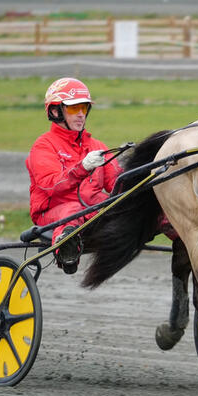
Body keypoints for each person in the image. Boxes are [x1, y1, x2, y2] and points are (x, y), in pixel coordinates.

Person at [26, 77, 121, 274]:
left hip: (91, 210)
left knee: (129, 204)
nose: (80, 115)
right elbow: (51, 186)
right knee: (72, 210)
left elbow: (119, 184)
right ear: (55, 111)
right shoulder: (44, 146)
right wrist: (82, 168)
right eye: (73, 108)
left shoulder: (97, 147)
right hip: (52, 213)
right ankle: (66, 250)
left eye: (84, 108)